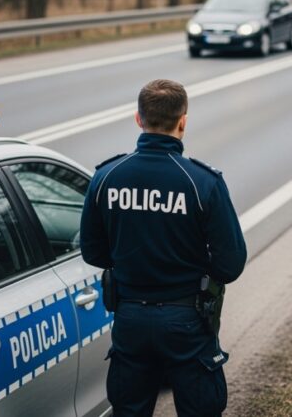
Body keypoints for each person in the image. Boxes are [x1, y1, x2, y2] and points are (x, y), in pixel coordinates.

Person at [80, 79, 247, 417]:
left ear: (138, 119)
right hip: (187, 317)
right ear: (182, 121)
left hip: (129, 318)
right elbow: (231, 264)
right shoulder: (203, 182)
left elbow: (93, 253)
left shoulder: (107, 177)